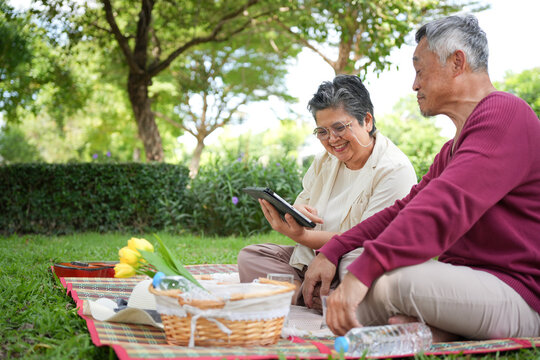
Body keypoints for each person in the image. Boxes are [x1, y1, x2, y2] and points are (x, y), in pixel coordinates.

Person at [303, 14, 540, 341]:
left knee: (390, 281)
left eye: (420, 71)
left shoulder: (506, 115)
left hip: (520, 296)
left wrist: (362, 274)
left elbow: (444, 207)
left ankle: (321, 335)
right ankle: (421, 330)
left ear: (457, 63)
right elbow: (405, 209)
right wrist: (335, 249)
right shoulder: (452, 148)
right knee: (372, 274)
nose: (415, 85)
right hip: (469, 283)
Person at [237, 75, 417, 305]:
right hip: (312, 259)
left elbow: (370, 241)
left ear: (367, 121)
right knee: (253, 256)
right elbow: (305, 203)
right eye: (322, 132)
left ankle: (308, 299)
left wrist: (305, 238)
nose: (332, 140)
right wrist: (297, 213)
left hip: (355, 262)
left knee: (357, 261)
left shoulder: (393, 170)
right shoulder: (325, 161)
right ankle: (323, 301)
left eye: (339, 128)